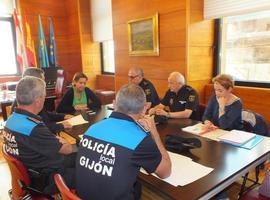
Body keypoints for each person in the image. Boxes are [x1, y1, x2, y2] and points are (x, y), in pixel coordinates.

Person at [76, 84, 171, 200]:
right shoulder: (140, 139)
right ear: (144, 109)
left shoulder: (92, 128)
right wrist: (154, 134)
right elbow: (166, 172)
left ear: (115, 104)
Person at [3, 77, 77, 195]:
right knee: (85, 166)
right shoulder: (33, 127)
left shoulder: (11, 119)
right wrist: (62, 141)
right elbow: (67, 149)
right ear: (38, 101)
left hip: (31, 170)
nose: (44, 100)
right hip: (44, 179)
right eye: (44, 96)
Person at [11, 67, 73, 134]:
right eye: (42, 80)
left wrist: (63, 116)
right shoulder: (27, 104)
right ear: (33, 81)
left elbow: (45, 114)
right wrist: (60, 126)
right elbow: (38, 129)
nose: (44, 83)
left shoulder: (31, 99)